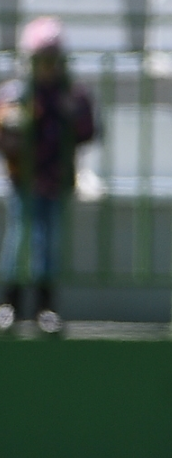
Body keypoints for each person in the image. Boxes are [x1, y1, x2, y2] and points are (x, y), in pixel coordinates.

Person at [0, 16, 96, 335]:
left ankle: (46, 307)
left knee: (48, 244)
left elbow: (89, 130)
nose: (46, 66)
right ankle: (9, 304)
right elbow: (5, 135)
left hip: (55, 180)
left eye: (52, 59)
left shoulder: (72, 95)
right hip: (22, 181)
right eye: (40, 59)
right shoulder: (15, 95)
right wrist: (13, 125)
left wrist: (72, 116)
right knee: (18, 242)